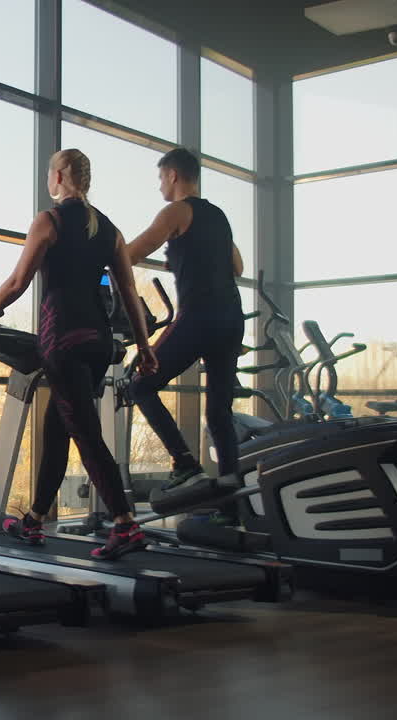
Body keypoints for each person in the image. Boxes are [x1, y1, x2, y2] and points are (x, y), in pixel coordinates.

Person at [0, 149, 158, 560]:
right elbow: (128, 294)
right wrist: (144, 347)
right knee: (58, 426)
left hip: (63, 340)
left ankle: (124, 524)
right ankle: (34, 519)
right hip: (99, 343)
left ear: (57, 176)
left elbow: (18, 281)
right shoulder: (109, 229)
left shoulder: (48, 220)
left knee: (85, 434)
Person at [124, 147, 245, 514]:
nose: (160, 184)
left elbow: (136, 250)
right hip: (231, 317)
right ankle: (232, 508)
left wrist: (94, 261)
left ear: (174, 176)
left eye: (161, 178)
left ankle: (185, 463)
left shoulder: (176, 210)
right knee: (219, 412)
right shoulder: (218, 215)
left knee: (139, 385)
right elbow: (237, 266)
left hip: (200, 317)